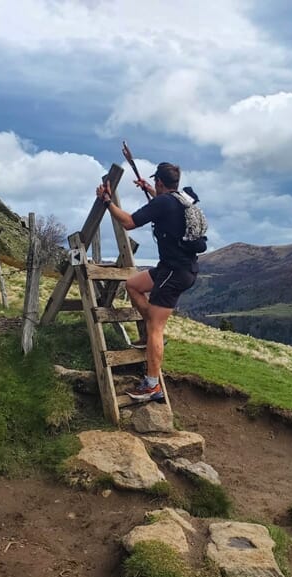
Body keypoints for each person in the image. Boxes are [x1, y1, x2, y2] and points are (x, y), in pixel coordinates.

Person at [96, 162, 199, 402]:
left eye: (155, 183)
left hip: (175, 272)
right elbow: (166, 206)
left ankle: (152, 385)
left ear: (160, 182)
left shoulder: (164, 202)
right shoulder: (182, 199)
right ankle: (152, 337)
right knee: (133, 285)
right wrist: (151, 191)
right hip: (175, 268)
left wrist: (107, 202)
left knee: (156, 327)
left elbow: (129, 222)